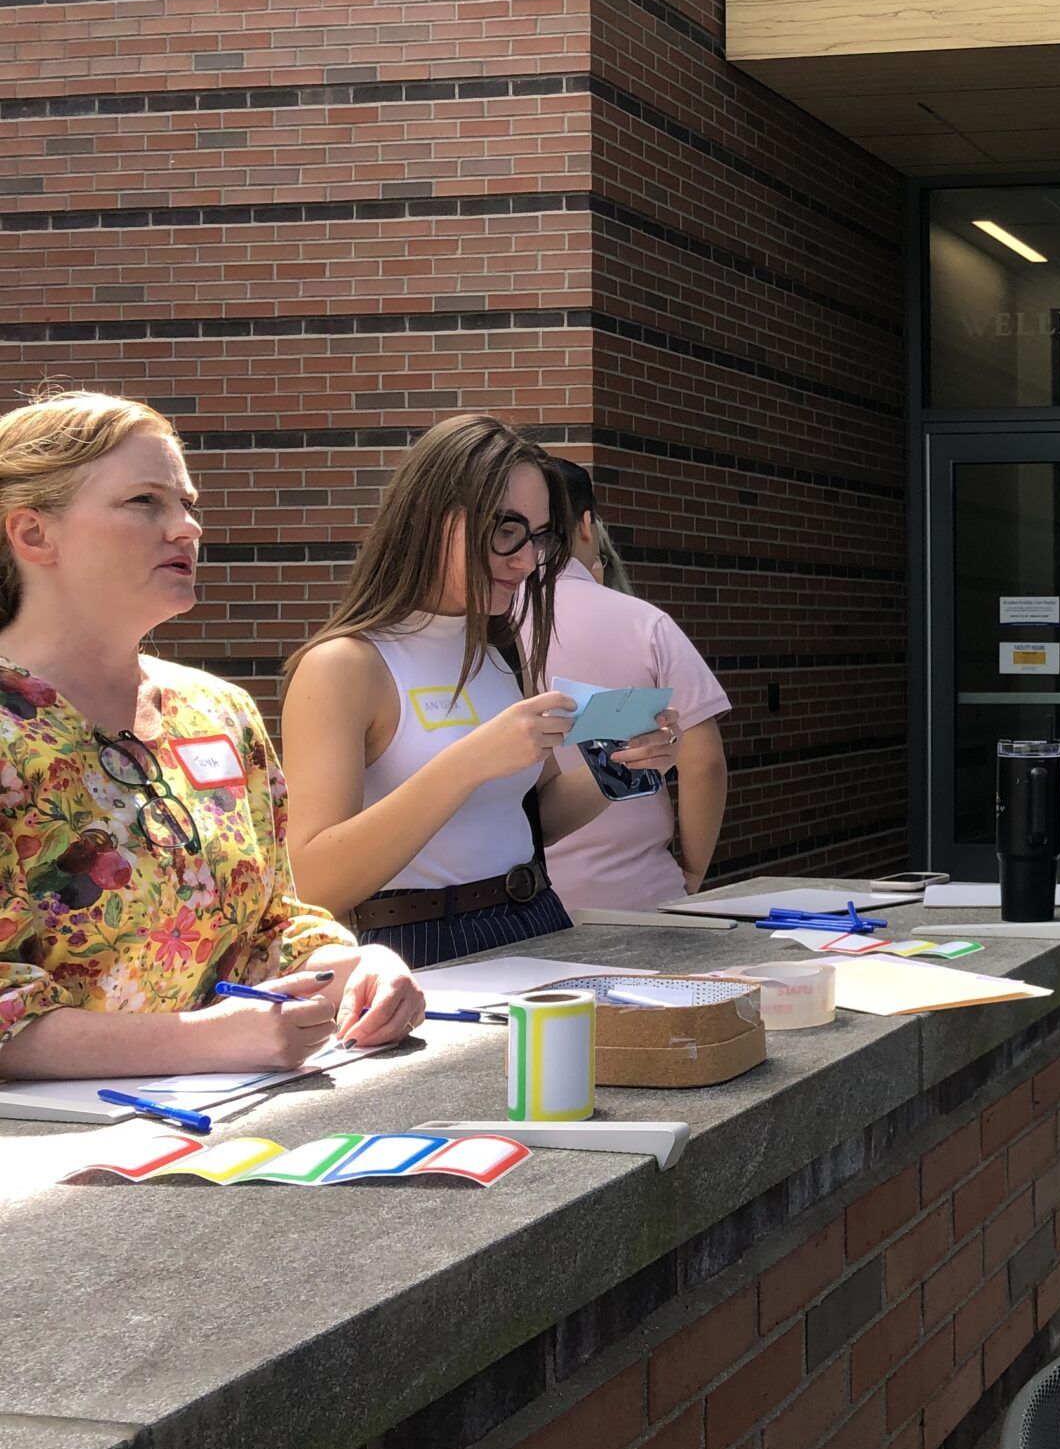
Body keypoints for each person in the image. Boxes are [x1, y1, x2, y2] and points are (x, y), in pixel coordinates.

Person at [0, 391, 424, 1077]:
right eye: (145, 502)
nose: (186, 527)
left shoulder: (219, 711)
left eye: (188, 504)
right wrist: (213, 1040)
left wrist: (352, 968)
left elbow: (271, 925)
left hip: (232, 1135)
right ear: (32, 535)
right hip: (49, 1166)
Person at [280, 416, 678, 968]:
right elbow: (312, 880)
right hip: (418, 942)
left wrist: (627, 763)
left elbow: (533, 817)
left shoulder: (496, 651)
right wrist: (469, 762)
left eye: (540, 537)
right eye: (505, 529)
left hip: (535, 917)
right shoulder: (345, 666)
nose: (526, 559)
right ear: (431, 517)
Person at [542, 457, 732, 906]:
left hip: (512, 900)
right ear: (587, 525)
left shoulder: (479, 631)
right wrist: (692, 872)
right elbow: (703, 761)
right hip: (638, 887)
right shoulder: (644, 623)